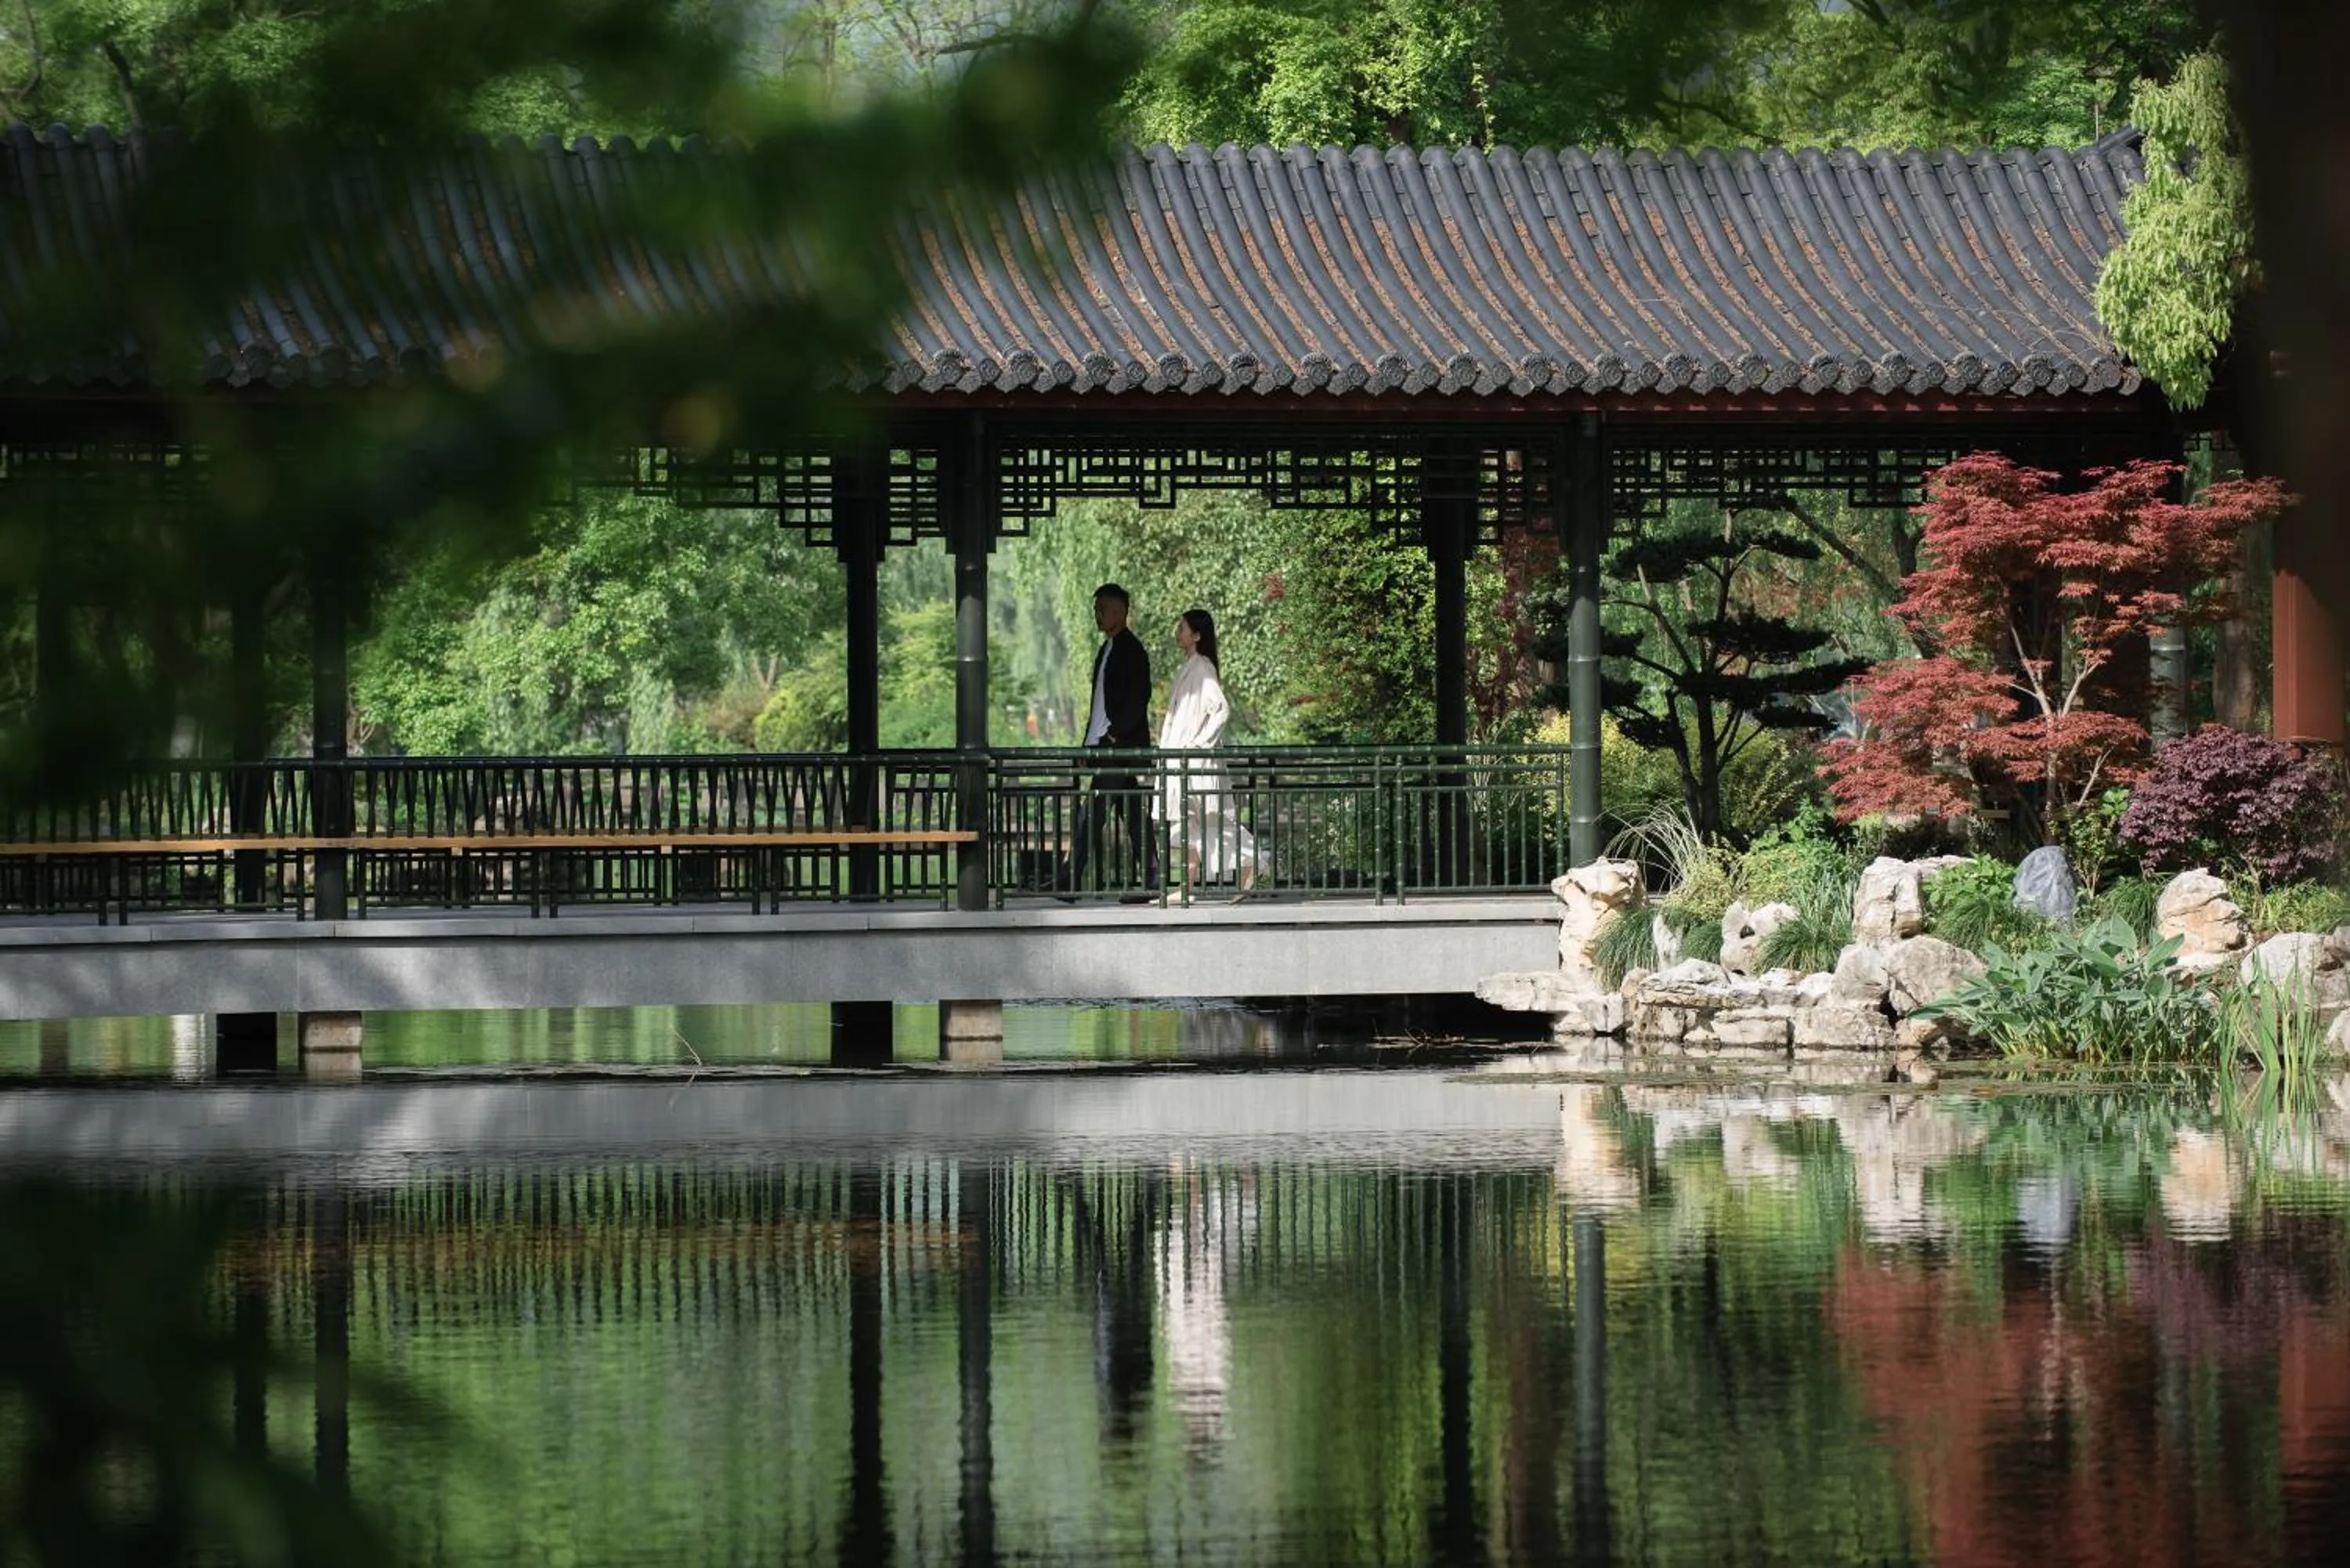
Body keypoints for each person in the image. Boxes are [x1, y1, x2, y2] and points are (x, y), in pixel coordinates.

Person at [1157, 609, 1260, 902]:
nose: (1179, 632)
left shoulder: (1202, 668)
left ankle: (1249, 871)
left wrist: (1199, 744)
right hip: (1184, 760)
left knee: (1210, 822)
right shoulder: (1191, 666)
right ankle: (1188, 888)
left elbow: (1221, 709)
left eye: (1183, 628)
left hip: (1197, 761)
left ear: (1197, 635)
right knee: (1189, 821)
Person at [1063, 583, 1157, 895]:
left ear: (1119, 612)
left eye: (1102, 609)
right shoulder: (1106, 650)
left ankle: (1071, 878)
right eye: (1096, 610)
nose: (1097, 615)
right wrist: (1087, 746)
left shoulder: (1132, 650)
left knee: (1094, 813)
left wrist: (1114, 734)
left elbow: (1138, 697)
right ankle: (1153, 879)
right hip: (1106, 746)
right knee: (1131, 814)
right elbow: (1099, 707)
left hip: (1118, 747)